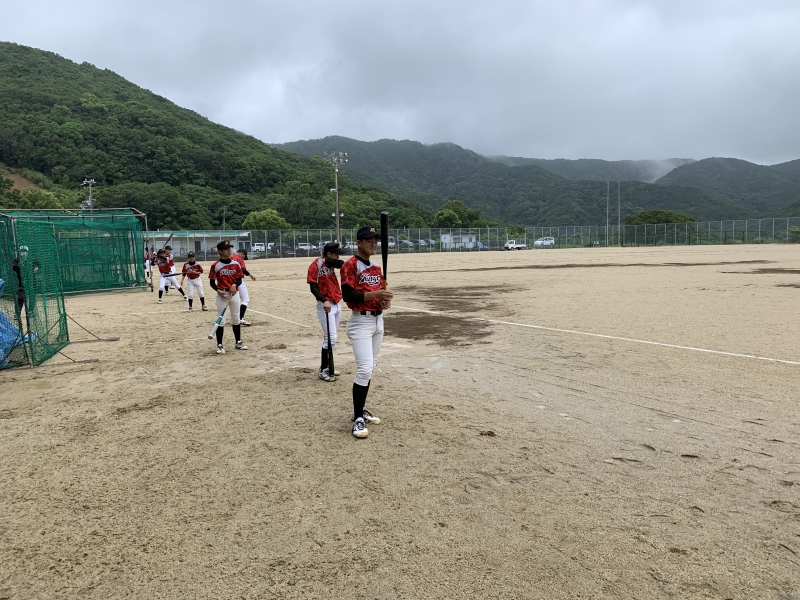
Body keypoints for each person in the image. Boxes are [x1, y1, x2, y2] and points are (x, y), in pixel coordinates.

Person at [340, 226, 393, 439]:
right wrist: (375, 294)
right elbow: (348, 295)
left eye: (375, 240)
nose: (373, 243)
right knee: (364, 369)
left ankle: (359, 410)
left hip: (378, 321)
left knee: (370, 368)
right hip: (360, 322)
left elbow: (377, 296)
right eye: (368, 240)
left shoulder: (376, 268)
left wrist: (383, 301)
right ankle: (357, 419)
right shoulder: (350, 265)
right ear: (359, 243)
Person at [307, 242, 344, 382]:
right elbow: (313, 287)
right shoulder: (315, 265)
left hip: (337, 302)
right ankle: (323, 369)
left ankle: (329, 366)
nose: (338, 256)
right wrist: (324, 300)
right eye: (336, 254)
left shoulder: (330, 263)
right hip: (325, 305)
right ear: (329, 254)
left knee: (332, 338)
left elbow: (342, 264)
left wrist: (328, 261)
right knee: (330, 338)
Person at [209, 241, 247, 353]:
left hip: (234, 294)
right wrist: (218, 291)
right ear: (220, 251)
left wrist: (235, 285)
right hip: (223, 295)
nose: (229, 251)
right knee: (221, 320)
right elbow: (212, 283)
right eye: (226, 249)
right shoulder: (215, 265)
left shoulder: (236, 264)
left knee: (236, 318)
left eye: (229, 248)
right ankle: (219, 345)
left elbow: (239, 278)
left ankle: (238, 342)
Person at [232, 249, 256, 325]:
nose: (243, 258)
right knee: (245, 299)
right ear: (242, 254)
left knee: (232, 300)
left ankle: (235, 318)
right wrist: (250, 275)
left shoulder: (229, 257)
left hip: (228, 281)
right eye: (244, 256)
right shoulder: (239, 259)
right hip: (238, 280)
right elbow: (243, 269)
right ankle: (240, 318)